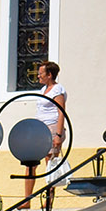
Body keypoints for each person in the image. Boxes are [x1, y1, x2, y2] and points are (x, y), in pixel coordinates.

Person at [26, 60, 67, 197]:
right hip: (40, 129)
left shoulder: (57, 90)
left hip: (52, 127)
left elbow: (61, 112)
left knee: (50, 164)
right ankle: (27, 199)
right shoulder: (43, 90)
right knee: (30, 162)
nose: (38, 76)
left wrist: (58, 135)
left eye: (41, 74)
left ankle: (48, 199)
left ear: (49, 75)